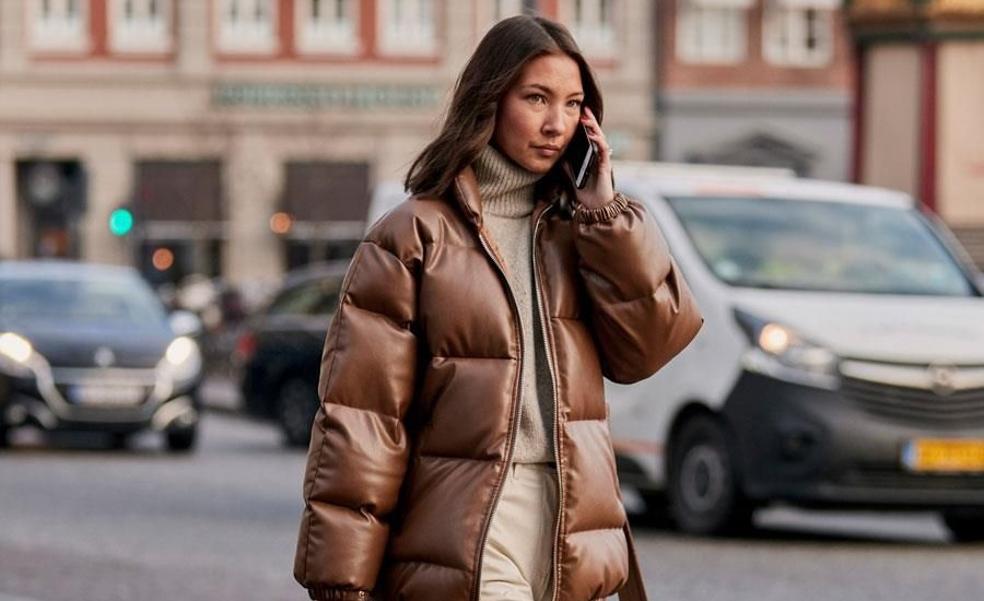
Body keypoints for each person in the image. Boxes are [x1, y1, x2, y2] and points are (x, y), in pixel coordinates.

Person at [293, 14, 703, 601]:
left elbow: (649, 347)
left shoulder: (579, 231)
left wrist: (604, 212)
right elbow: (363, 418)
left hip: (574, 517)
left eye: (572, 103)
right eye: (536, 98)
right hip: (471, 521)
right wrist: (340, 574)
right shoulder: (413, 237)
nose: (556, 123)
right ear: (490, 99)